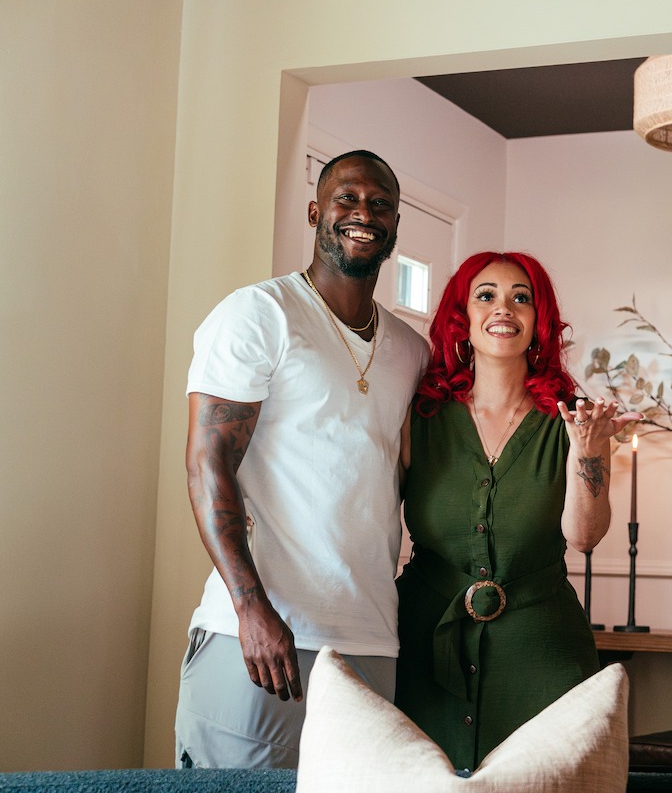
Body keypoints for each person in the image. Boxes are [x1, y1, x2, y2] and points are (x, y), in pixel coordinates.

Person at [175, 150, 430, 768]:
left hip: (371, 640)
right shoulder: (258, 314)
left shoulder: (409, 350)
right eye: (346, 198)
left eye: (380, 204)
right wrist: (250, 608)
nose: (362, 213)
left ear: (395, 226)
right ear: (316, 210)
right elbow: (208, 464)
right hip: (262, 638)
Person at [394, 250, 639, 773]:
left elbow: (585, 535)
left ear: (538, 322)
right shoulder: (420, 417)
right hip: (423, 643)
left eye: (520, 298)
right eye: (486, 296)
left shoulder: (574, 421)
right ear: (463, 318)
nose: (503, 308)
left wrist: (590, 450)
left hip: (543, 652)